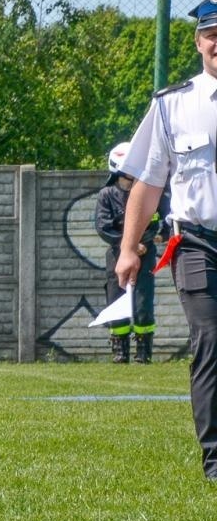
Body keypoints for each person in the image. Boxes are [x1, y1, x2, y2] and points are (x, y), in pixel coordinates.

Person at [115, 0, 217, 479]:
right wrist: (128, 247)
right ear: (199, 42)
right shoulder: (173, 106)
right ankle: (216, 459)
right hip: (198, 243)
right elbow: (148, 184)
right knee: (211, 339)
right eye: (212, 36)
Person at [94, 141, 170, 362]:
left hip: (146, 254)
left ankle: (144, 353)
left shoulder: (149, 194)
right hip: (117, 256)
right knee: (116, 298)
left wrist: (146, 241)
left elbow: (159, 222)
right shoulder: (107, 194)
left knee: (143, 301)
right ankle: (120, 351)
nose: (132, 181)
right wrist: (127, 245)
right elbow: (103, 227)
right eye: (128, 176)